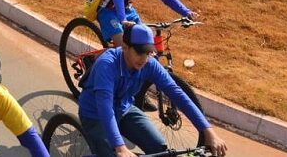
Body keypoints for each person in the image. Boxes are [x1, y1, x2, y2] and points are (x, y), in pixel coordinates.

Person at [78, 25, 228, 157]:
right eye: (139, 52)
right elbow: (105, 108)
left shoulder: (149, 63)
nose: (144, 58)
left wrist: (208, 130)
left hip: (124, 108)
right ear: (124, 47)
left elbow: (177, 94)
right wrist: (120, 147)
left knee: (158, 147)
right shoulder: (107, 65)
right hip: (95, 114)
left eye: (148, 52)